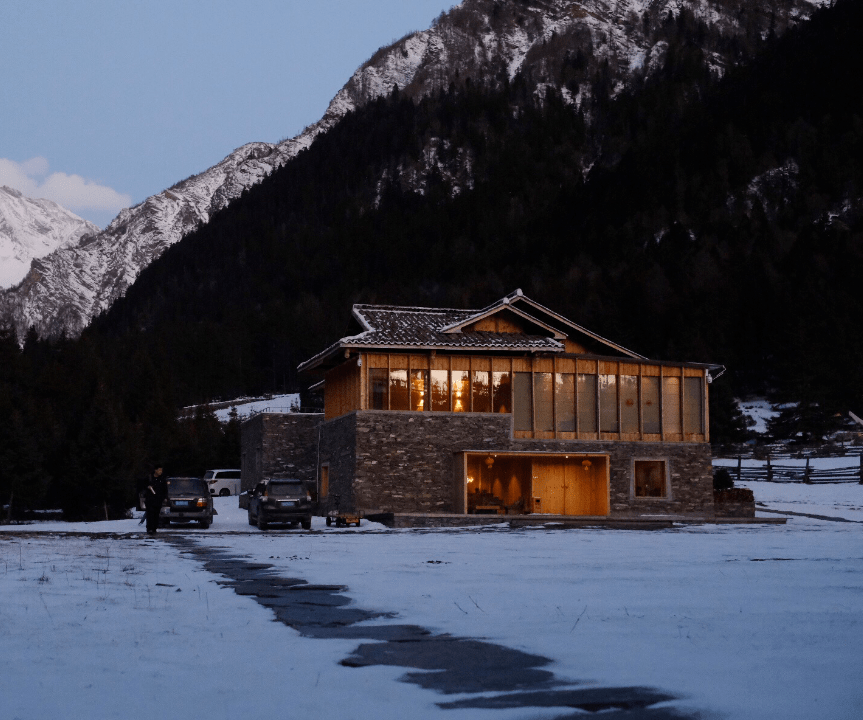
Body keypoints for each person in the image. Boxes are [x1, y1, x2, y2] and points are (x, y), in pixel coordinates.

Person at [143, 465, 168, 534]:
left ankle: (154, 528)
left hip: (158, 500)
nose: (160, 472)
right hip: (150, 500)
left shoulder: (162, 479)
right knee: (150, 514)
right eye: (159, 470)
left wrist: (164, 498)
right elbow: (142, 486)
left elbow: (165, 489)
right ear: (155, 470)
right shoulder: (149, 478)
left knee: (156, 514)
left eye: (161, 470)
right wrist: (147, 487)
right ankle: (149, 528)